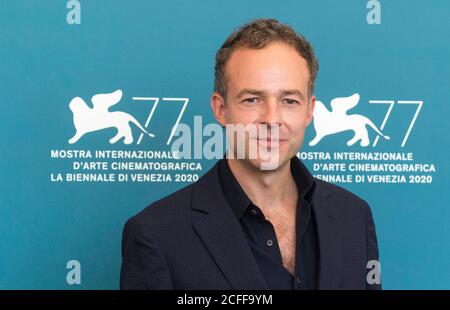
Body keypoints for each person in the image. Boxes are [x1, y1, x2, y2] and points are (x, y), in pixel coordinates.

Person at [120, 18, 381, 290]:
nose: (271, 119)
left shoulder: (353, 215)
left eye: (289, 101)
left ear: (309, 111)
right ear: (221, 109)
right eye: (252, 100)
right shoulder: (157, 234)